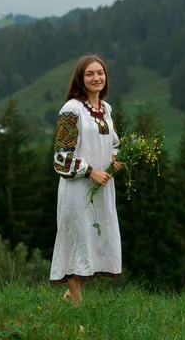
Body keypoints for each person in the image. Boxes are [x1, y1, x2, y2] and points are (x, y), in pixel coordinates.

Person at [50, 54, 124, 305]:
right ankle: (76, 303)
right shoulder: (71, 109)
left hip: (101, 188)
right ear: (81, 79)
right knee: (78, 239)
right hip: (77, 189)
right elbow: (61, 157)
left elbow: (114, 143)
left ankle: (72, 293)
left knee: (93, 239)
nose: (96, 78)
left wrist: (116, 159)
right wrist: (90, 170)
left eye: (100, 73)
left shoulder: (106, 109)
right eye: (90, 74)